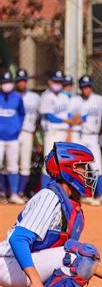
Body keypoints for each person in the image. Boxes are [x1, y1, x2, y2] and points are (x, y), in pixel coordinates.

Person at [0, 142, 102, 287]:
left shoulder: (69, 204)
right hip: (11, 264)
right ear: (67, 169)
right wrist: (36, 281)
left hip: (28, 264)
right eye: (82, 167)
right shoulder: (50, 196)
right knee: (85, 253)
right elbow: (19, 239)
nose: (87, 172)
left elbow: (67, 255)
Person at [68, 75, 102, 205]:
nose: (86, 89)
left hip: (94, 136)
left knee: (97, 166)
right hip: (79, 135)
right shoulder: (75, 101)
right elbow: (69, 120)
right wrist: (76, 120)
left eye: (88, 86)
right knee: (79, 168)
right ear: (80, 88)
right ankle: (83, 195)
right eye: (84, 87)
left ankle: (101, 195)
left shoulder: (100, 100)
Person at [39, 70, 77, 187]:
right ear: (50, 82)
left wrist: (70, 130)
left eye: (60, 82)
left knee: (61, 164)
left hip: (64, 132)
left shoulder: (64, 97)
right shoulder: (46, 96)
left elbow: (70, 115)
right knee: (49, 162)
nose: (58, 84)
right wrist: (66, 121)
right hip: (52, 132)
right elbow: (50, 117)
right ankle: (44, 190)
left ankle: (58, 190)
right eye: (56, 81)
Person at [0, 71, 26, 204]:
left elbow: (22, 114)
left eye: (8, 82)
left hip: (13, 137)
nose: (6, 85)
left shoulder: (17, 98)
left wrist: (17, 128)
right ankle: (2, 193)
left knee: (13, 166)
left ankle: (14, 193)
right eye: (4, 83)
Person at [15, 69, 41, 198]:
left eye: (23, 80)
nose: (21, 83)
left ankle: (20, 192)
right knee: (10, 163)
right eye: (19, 81)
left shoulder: (35, 98)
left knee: (25, 164)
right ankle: (7, 192)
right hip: (12, 134)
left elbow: (38, 119)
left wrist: (34, 133)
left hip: (28, 132)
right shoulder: (12, 96)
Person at [63, 75, 81, 143]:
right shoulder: (60, 100)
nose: (68, 88)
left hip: (74, 131)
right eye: (66, 85)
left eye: (70, 85)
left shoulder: (76, 99)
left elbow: (78, 118)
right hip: (63, 131)